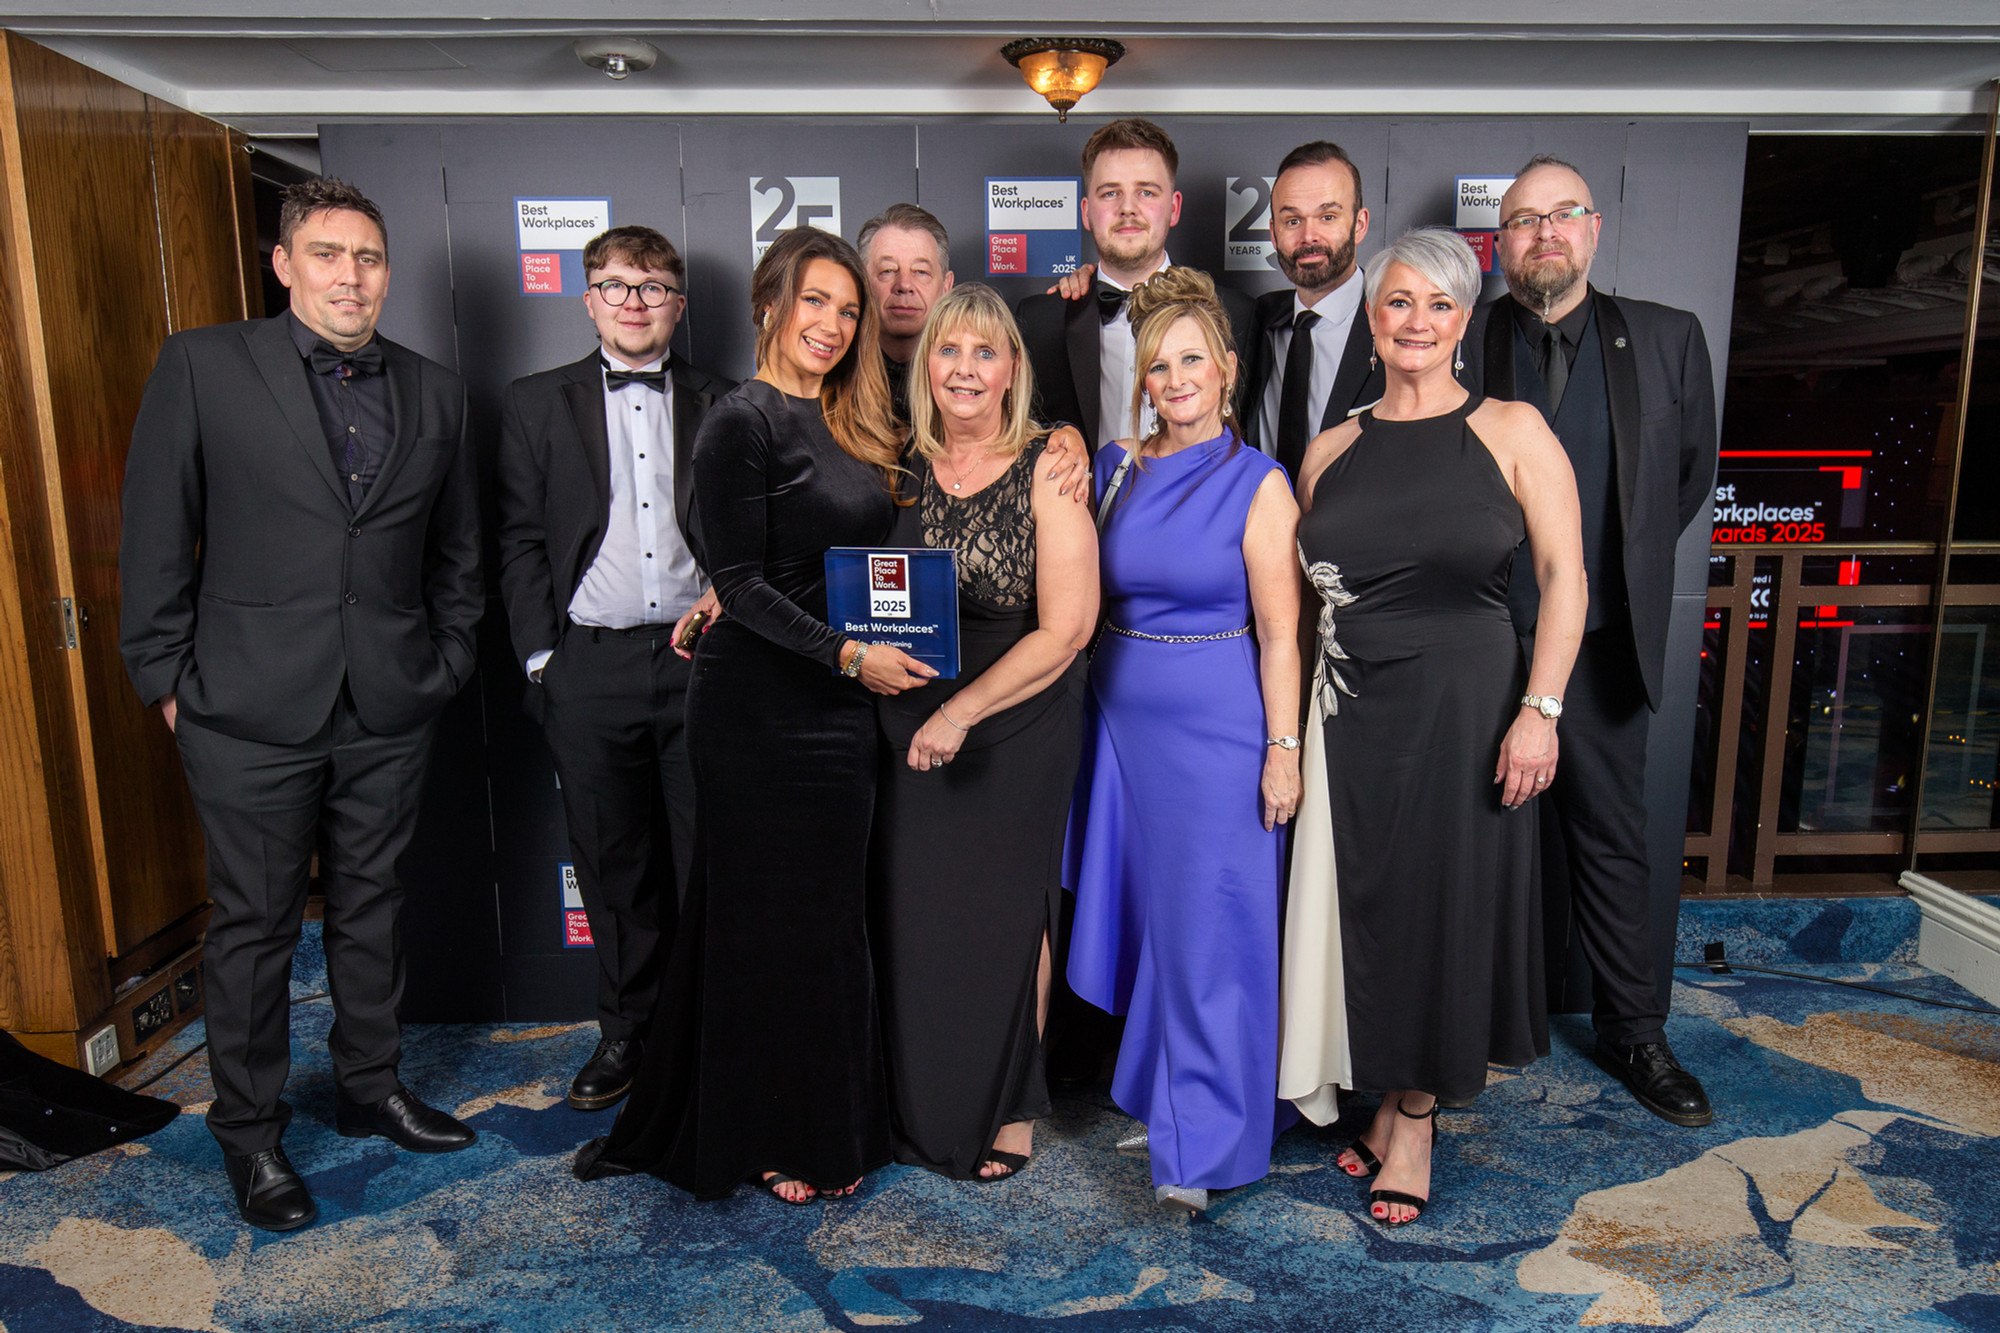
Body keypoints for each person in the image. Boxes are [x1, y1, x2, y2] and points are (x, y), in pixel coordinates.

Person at [118, 178, 483, 1232]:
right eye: (326, 254)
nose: (350, 275)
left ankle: (371, 1086)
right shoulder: (202, 366)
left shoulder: (437, 390)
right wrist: (169, 685)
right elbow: (152, 542)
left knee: (371, 908)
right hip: (241, 709)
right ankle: (251, 1133)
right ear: (284, 264)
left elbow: (459, 555)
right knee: (256, 927)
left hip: (388, 703)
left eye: (368, 257)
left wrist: (443, 662)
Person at [574, 226, 929, 1206]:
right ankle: (774, 1129)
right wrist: (851, 654)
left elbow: (834, 566)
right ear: (769, 305)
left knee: (823, 924)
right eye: (814, 301)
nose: (832, 323)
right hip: (761, 707)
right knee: (768, 926)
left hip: (837, 708)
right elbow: (737, 578)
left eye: (848, 309)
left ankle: (827, 1119)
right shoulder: (741, 418)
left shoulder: (855, 419)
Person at [1282, 227, 1586, 1227]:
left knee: (1442, 905)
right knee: (1363, 905)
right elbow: (1295, 593)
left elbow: (1562, 578)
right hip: (1347, 708)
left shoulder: (1512, 429)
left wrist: (1538, 712)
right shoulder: (1330, 447)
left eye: (1437, 304)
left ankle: (1413, 1115)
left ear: (1463, 319)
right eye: (1397, 302)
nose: (1416, 321)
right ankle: (1373, 1092)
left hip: (1468, 703)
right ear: (1371, 319)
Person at [1465, 155, 1719, 1128]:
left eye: (1559, 215)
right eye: (1522, 220)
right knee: (1477, 846)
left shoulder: (1663, 339)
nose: (1542, 234)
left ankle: (1635, 1031)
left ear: (1592, 227)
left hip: (1604, 649)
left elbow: (1678, 481)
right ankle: (1464, 1031)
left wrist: (1604, 575)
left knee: (1612, 849)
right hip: (1483, 645)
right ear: (1499, 243)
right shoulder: (1464, 336)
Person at [1064, 267, 1302, 1215]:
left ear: (1228, 369)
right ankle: (1174, 1096)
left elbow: (1283, 632)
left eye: (1193, 360)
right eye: (1159, 365)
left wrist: (1281, 747)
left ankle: (1204, 1138)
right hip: (1120, 723)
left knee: (1212, 936)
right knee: (1161, 927)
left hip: (1216, 729)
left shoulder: (1260, 482)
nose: (1176, 378)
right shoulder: (1116, 465)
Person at [494, 225, 734, 1113]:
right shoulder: (531, 401)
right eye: (618, 285)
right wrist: (543, 661)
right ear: (588, 297)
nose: (636, 302)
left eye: (655, 287)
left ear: (679, 303)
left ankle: (712, 1028)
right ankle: (628, 1030)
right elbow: (517, 540)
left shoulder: (726, 398)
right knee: (611, 860)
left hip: (700, 659)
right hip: (586, 666)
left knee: (707, 853)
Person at [871, 285, 1098, 1183]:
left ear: (1012, 368)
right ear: (926, 365)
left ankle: (1011, 1104)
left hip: (1016, 708)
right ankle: (917, 1092)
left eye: (984, 352)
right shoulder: (895, 458)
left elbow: (1068, 627)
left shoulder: (1051, 462)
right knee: (914, 911)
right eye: (947, 351)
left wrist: (962, 713)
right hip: (903, 704)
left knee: (1009, 914)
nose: (965, 369)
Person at [1017, 118, 1255, 453]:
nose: (1127, 208)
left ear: (1173, 208)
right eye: (1110, 193)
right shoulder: (1040, 320)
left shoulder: (1239, 315)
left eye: (1146, 192)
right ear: (1086, 212)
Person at [1241, 140, 1385, 479]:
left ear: (1360, 224)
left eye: (1328, 216)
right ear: (1273, 233)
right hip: (1259, 527)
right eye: (1292, 221)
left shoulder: (1399, 327)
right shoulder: (1252, 318)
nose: (1309, 236)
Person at [858, 203, 955, 421]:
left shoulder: (971, 378)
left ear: (946, 286)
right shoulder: (832, 374)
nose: (904, 285)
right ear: (863, 281)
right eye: (887, 271)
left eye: (921, 272)